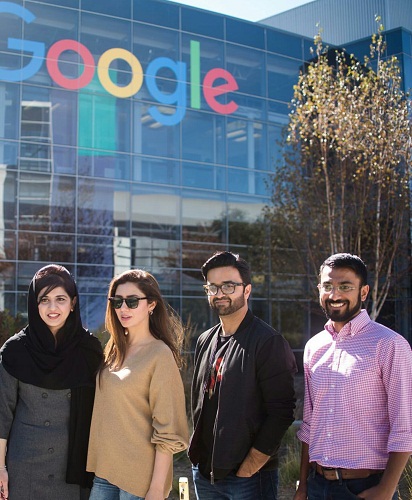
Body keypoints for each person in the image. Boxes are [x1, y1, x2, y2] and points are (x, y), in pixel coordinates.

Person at [294, 253, 412, 500]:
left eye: (345, 287)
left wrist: (385, 491)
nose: (335, 295)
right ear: (319, 290)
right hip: (316, 486)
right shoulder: (314, 347)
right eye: (328, 286)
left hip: (363, 488)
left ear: (364, 292)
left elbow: (404, 427)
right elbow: (309, 425)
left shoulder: (389, 344)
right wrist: (303, 486)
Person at [189, 251, 297, 500]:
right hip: (205, 474)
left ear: (246, 290)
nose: (220, 293)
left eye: (229, 286)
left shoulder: (267, 342)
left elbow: (282, 411)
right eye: (213, 287)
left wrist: (251, 465)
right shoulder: (206, 340)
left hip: (248, 478)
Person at [0, 264, 103, 500]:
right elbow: (1, 415)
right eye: (44, 299)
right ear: (34, 304)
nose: (52, 307)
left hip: (74, 468)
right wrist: (0, 468)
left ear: (73, 303)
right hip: (24, 469)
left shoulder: (89, 350)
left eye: (60, 298)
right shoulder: (15, 350)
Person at [87, 269, 189, 500]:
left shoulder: (160, 355)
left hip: (139, 481)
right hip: (104, 472)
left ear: (151, 304)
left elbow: (168, 430)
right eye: (117, 301)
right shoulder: (113, 350)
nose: (123, 308)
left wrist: (156, 489)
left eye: (132, 302)